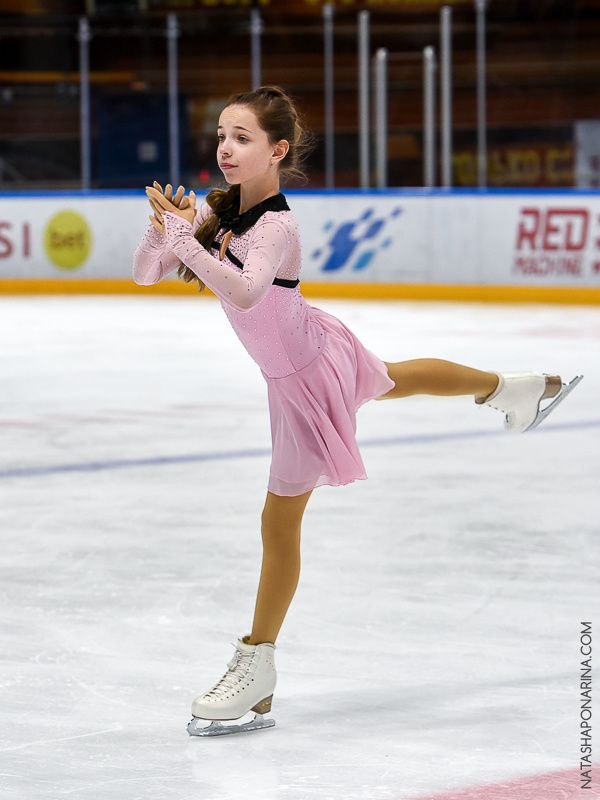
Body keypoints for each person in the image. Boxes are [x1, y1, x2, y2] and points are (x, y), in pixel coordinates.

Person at [133, 85, 581, 737]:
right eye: (223, 135)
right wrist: (163, 232)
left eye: (242, 138)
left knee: (278, 523)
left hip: (306, 376)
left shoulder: (277, 226)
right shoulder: (218, 211)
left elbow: (247, 292)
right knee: (395, 378)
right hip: (310, 352)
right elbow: (148, 273)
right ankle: (517, 387)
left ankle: (256, 666)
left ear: (277, 151)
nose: (226, 148)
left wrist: (186, 239)